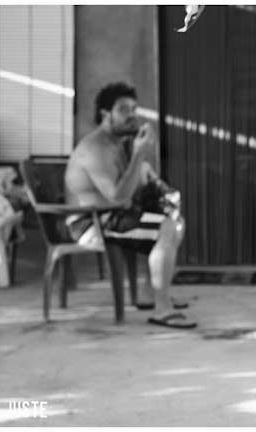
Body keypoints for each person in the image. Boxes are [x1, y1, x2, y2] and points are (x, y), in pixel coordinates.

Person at [64, 82, 196, 329]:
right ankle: (162, 308)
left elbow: (130, 186)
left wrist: (153, 180)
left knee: (174, 221)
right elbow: (118, 197)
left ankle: (150, 293)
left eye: (134, 109)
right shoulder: (95, 148)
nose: (132, 115)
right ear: (105, 114)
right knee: (166, 228)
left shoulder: (116, 144)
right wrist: (138, 155)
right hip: (90, 224)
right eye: (124, 110)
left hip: (112, 216)